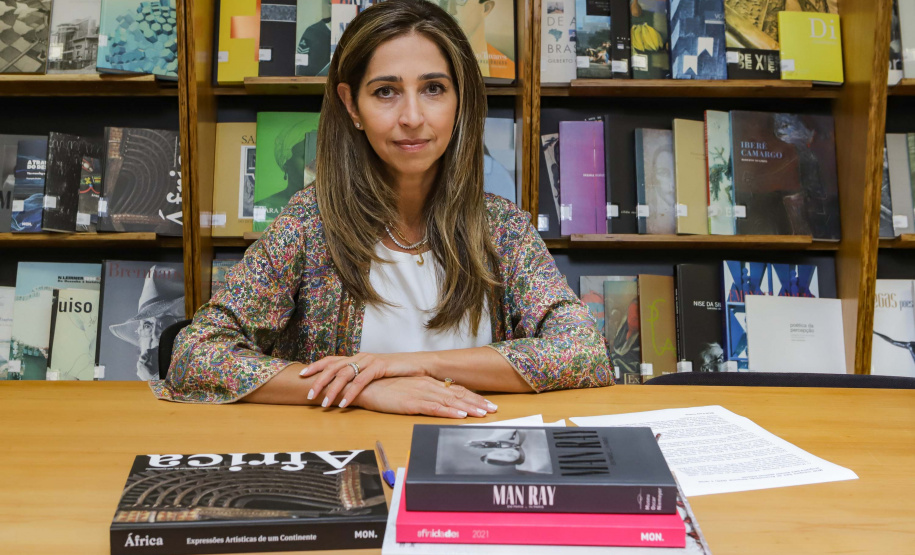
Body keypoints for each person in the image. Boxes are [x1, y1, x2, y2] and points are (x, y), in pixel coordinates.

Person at [151, 0, 611, 417]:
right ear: (352, 104)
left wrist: (403, 368)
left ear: (460, 99)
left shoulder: (503, 228)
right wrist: (360, 387)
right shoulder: (310, 224)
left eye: (433, 88)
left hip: (475, 460)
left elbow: (584, 351)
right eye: (386, 92)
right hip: (350, 465)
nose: (412, 116)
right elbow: (195, 353)